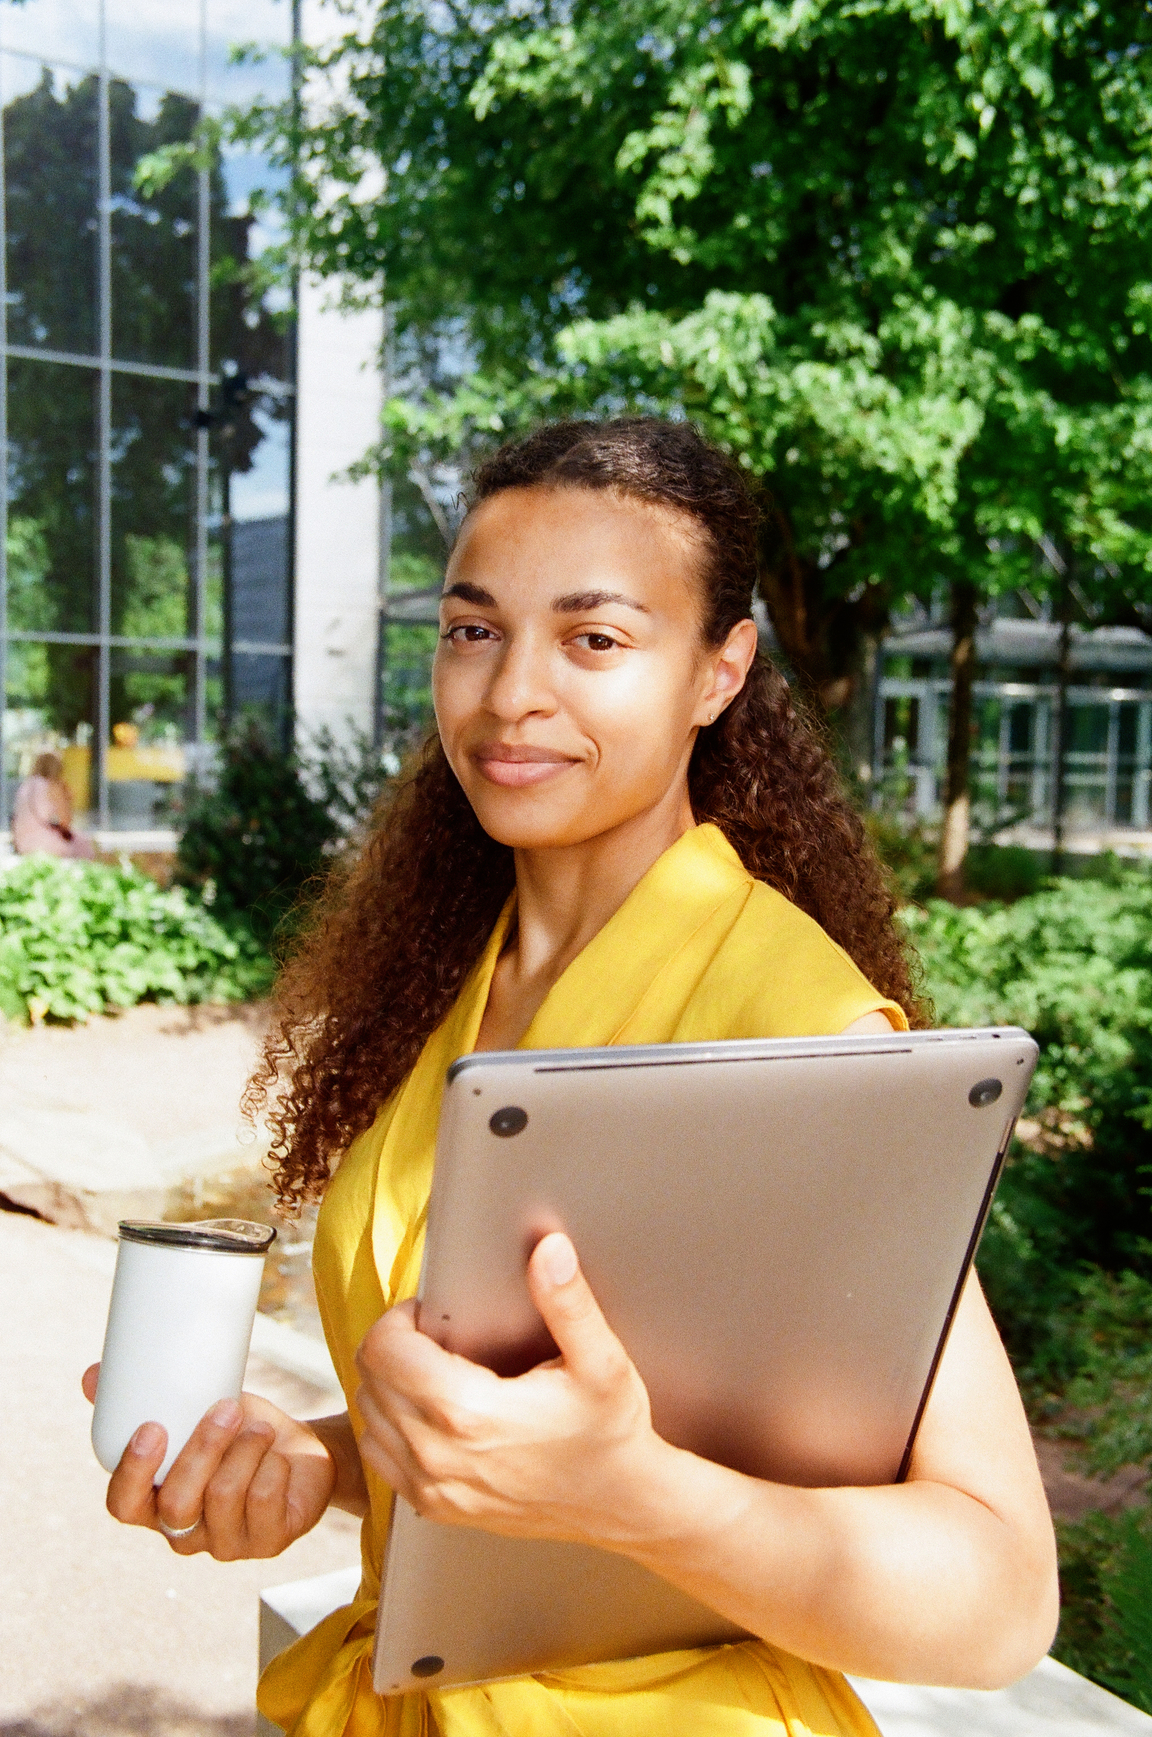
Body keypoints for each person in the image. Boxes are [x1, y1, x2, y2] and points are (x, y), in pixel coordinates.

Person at [83, 419, 1058, 1737]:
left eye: (594, 639)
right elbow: (506, 1435)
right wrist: (316, 1458)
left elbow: (999, 1595)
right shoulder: (449, 980)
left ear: (721, 672)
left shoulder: (796, 1021)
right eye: (473, 629)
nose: (509, 694)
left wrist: (638, 1494)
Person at [12, 751, 96, 859]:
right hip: (44, 843)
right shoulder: (52, 786)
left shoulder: (26, 785)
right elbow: (66, 821)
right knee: (84, 845)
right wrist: (67, 799)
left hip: (21, 842)